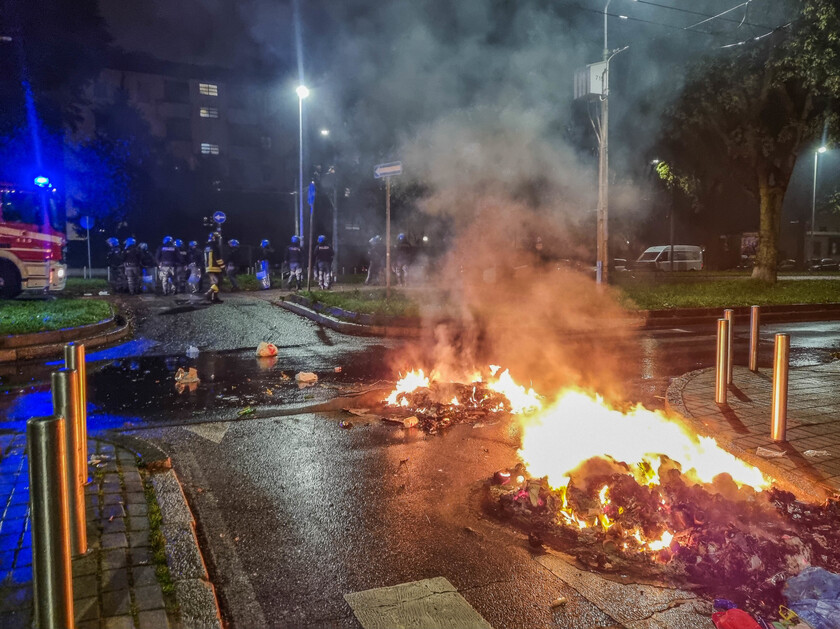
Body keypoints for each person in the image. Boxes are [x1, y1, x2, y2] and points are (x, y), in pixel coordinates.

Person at [203, 232, 224, 303]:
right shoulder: (214, 246)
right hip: (215, 267)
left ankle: (214, 298)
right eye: (218, 238)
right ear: (214, 238)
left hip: (208, 267)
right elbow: (218, 258)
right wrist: (223, 266)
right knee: (217, 282)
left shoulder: (207, 246)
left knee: (213, 283)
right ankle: (208, 293)